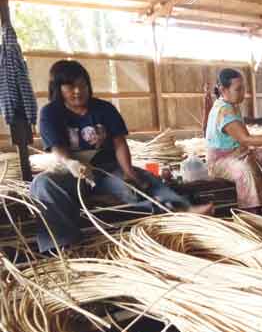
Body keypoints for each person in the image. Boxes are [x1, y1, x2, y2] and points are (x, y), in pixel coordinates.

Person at [31, 60, 213, 253]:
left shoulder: (104, 109)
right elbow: (58, 148)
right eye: (70, 86)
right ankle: (64, 244)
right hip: (70, 172)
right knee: (42, 184)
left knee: (139, 183)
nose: (77, 91)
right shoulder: (50, 113)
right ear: (58, 88)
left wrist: (129, 172)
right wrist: (71, 163)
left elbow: (119, 143)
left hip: (107, 168)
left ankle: (183, 209)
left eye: (82, 85)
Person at [206, 68, 262, 212]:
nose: (243, 93)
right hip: (220, 161)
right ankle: (252, 211)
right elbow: (246, 139)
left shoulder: (233, 106)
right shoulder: (224, 111)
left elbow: (246, 138)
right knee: (244, 170)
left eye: (243, 88)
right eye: (238, 89)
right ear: (223, 89)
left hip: (241, 153)